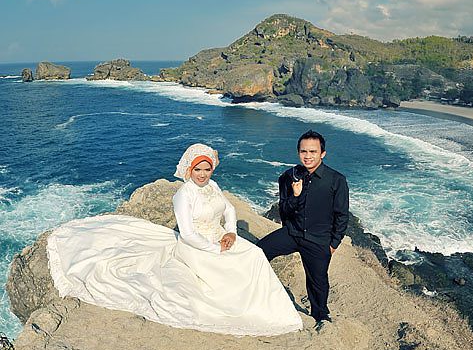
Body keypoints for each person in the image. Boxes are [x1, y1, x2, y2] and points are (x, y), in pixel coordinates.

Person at [47, 143, 303, 336]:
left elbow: (229, 210)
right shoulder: (183, 195)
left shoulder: (212, 187)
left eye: (207, 169)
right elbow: (189, 234)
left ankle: (273, 311)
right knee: (231, 269)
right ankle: (256, 312)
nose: (203, 175)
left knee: (255, 255)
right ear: (189, 170)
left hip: (219, 237)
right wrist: (215, 247)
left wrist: (230, 232)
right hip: (195, 246)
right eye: (198, 170)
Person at [257, 130, 349, 328]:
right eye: (303, 151)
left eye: (313, 152)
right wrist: (296, 196)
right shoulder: (288, 177)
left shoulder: (336, 180)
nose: (308, 156)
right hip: (292, 233)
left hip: (318, 239)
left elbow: (342, 215)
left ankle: (320, 316)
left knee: (318, 281)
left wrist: (333, 244)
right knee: (258, 252)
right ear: (298, 152)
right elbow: (284, 209)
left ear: (322, 153)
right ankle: (260, 295)